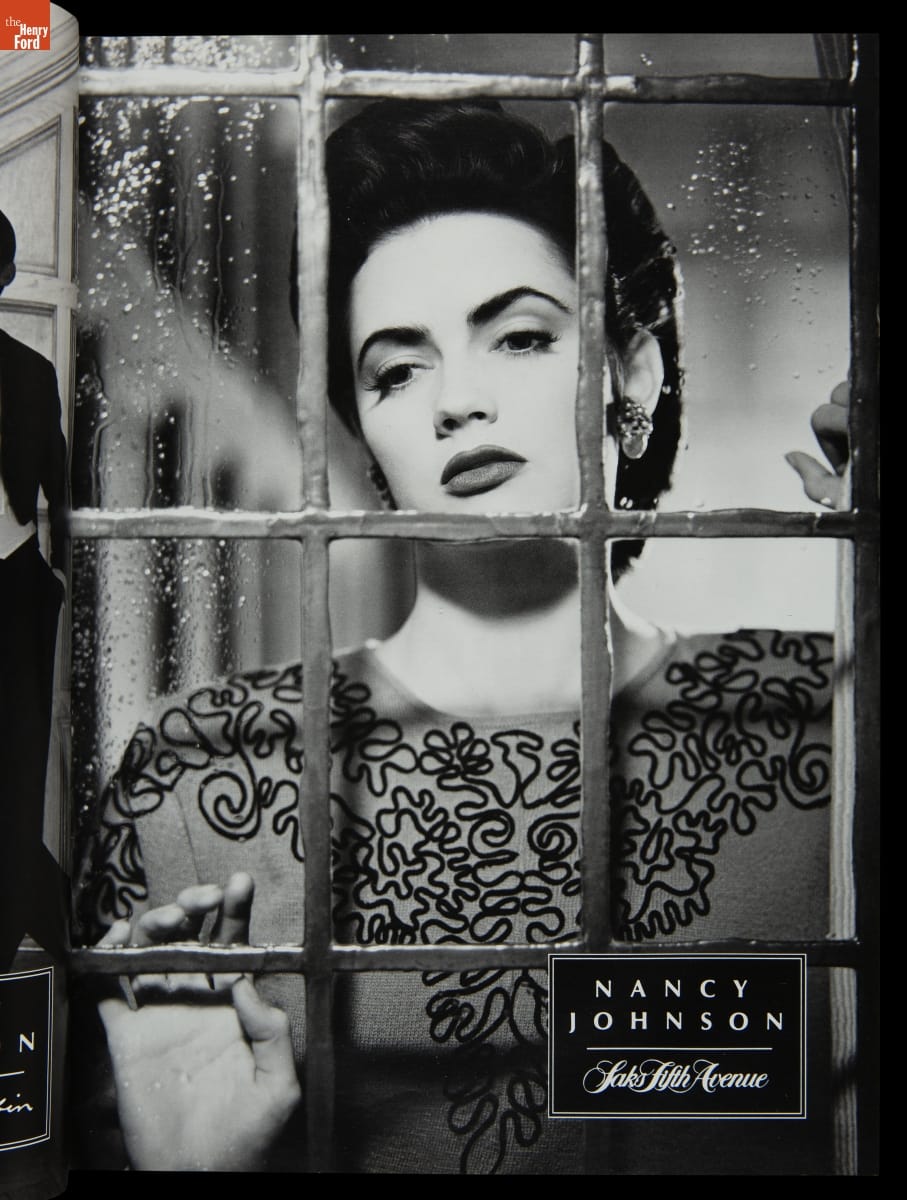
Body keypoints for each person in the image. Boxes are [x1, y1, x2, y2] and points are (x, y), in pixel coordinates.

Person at [74, 100, 850, 1174]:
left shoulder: (827, 717)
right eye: (396, 370)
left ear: (630, 375)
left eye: (520, 337)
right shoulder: (198, 772)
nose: (457, 402)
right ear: (363, 432)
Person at [0, 207, 69, 972]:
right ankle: (57, 922)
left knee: (18, 769)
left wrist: (59, 574)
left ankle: (37, 931)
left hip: (17, 584)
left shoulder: (30, 372)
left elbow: (61, 480)